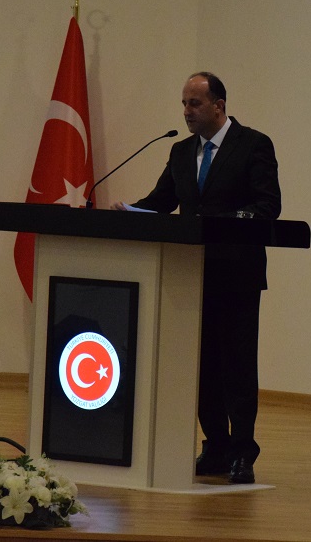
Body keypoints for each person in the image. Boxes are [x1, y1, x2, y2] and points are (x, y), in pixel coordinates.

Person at [113, 71, 281, 483]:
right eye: (184, 104)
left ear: (218, 106)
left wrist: (218, 222)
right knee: (202, 366)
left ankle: (243, 452)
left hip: (237, 276)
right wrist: (128, 213)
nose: (187, 112)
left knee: (237, 367)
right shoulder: (181, 151)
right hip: (191, 275)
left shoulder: (253, 145)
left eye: (195, 103)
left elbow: (267, 206)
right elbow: (160, 203)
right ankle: (217, 447)